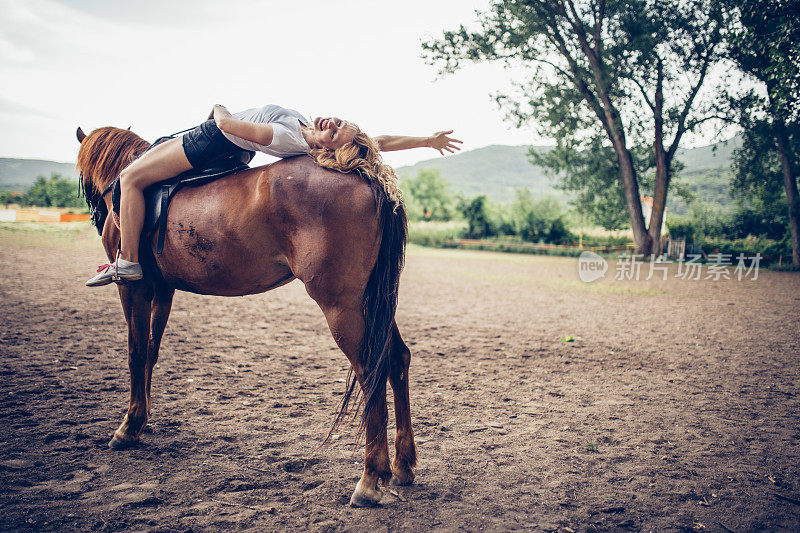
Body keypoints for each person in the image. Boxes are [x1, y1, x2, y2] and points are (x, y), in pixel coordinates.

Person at [85, 103, 462, 286]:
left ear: (327, 151)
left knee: (130, 178)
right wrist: (427, 140)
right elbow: (378, 140)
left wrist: (218, 109)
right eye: (339, 123)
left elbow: (228, 125)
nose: (332, 125)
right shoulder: (308, 129)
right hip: (229, 147)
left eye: (334, 134)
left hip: (213, 138)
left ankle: (129, 260)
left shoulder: (288, 139)